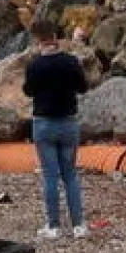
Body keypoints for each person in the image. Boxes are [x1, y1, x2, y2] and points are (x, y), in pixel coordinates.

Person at [22, 19, 90, 240]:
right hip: (68, 122)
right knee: (70, 174)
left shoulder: (34, 66)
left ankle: (53, 226)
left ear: (37, 39)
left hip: (43, 123)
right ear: (55, 36)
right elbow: (83, 87)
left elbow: (28, 91)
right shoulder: (70, 62)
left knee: (50, 176)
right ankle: (79, 225)